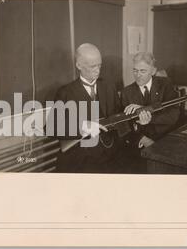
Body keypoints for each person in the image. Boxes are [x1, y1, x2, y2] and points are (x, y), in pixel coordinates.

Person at [51, 43, 151, 173]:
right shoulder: (65, 92)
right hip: (82, 158)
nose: (98, 70)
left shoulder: (109, 86)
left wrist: (138, 121)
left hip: (110, 154)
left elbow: (120, 120)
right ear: (79, 65)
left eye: (99, 65)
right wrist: (84, 126)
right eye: (93, 66)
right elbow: (52, 127)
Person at [121, 51, 179, 152]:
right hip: (141, 143)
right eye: (135, 70)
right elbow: (125, 126)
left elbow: (173, 115)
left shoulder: (165, 84)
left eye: (142, 71)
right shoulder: (127, 92)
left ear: (153, 71)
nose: (138, 75)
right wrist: (143, 140)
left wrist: (149, 117)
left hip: (166, 138)